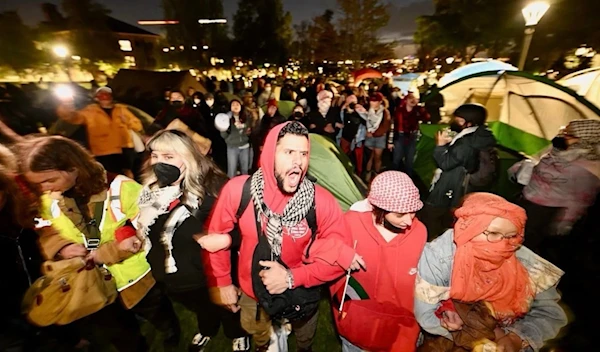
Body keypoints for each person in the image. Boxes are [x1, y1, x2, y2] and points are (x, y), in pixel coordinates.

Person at [200, 122, 365, 352]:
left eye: (304, 154)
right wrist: (223, 282)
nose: (298, 162)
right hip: (252, 286)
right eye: (289, 152)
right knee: (255, 327)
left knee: (305, 333)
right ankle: (263, 344)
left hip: (302, 288)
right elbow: (217, 237)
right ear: (269, 154)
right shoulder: (238, 191)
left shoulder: (321, 202)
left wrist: (291, 277)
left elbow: (341, 259)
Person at [16, 135, 180, 351]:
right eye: (38, 184)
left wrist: (111, 251)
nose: (44, 188)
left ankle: (171, 332)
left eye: (49, 180)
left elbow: (146, 226)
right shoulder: (50, 199)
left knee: (156, 311)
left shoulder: (122, 188)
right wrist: (62, 247)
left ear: (73, 167)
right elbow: (47, 230)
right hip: (91, 283)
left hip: (135, 277)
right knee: (119, 332)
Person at [139, 130, 250, 352]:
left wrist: (225, 239)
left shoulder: (212, 189)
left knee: (228, 307)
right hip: (173, 277)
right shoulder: (150, 192)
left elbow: (244, 228)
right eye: (155, 155)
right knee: (201, 308)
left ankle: (237, 333)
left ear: (187, 156)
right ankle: (208, 328)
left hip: (207, 273)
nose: (159, 163)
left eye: (169, 157)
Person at [414, 193, 568, 352]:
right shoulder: (439, 258)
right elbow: (426, 315)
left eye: (511, 236)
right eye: (493, 234)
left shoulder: (524, 261)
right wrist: (477, 336)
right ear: (468, 228)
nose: (502, 245)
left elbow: (550, 314)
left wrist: (517, 338)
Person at [332, 171, 427, 352]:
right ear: (379, 209)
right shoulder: (350, 223)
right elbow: (318, 250)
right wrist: (338, 252)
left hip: (399, 335)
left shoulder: (420, 232)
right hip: (355, 327)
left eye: (413, 212)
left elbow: (430, 277)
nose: (408, 221)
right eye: (400, 214)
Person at [510, 119, 600, 252]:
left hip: (548, 214)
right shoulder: (558, 151)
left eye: (569, 134)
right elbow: (536, 162)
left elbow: (579, 199)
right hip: (527, 202)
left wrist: (565, 223)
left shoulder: (590, 169)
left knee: (524, 247)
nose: (563, 136)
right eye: (564, 131)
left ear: (585, 140)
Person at [421, 103, 497, 240]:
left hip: (452, 182)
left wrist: (440, 146)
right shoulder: (479, 135)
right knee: (449, 214)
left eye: (459, 119)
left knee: (432, 212)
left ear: (469, 123)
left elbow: (445, 163)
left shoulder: (465, 143)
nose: (455, 121)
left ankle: (428, 240)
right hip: (461, 183)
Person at [56, 86, 143, 176]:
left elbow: (138, 126)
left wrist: (128, 122)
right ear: (97, 98)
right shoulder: (90, 112)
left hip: (125, 147)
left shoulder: (121, 110)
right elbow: (72, 117)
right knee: (110, 175)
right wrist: (66, 104)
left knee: (128, 173)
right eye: (101, 95)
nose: (105, 97)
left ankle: (131, 189)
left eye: (107, 94)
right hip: (103, 150)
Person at [389, 92, 430, 177]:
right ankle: (392, 177)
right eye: (410, 98)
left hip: (412, 137)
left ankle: (408, 179)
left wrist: (422, 109)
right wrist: (390, 141)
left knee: (409, 160)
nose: (412, 100)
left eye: (414, 99)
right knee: (396, 159)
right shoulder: (399, 111)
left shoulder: (418, 111)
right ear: (406, 100)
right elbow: (393, 126)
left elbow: (427, 118)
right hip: (400, 136)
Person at [363, 93, 392, 182]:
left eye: (375, 101)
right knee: (369, 156)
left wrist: (374, 133)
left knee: (377, 157)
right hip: (369, 135)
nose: (372, 103)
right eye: (371, 101)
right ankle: (368, 173)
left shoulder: (385, 112)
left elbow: (386, 126)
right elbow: (363, 120)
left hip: (380, 137)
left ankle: (376, 174)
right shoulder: (368, 110)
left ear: (380, 102)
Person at [222, 99, 253, 178]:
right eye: (233, 105)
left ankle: (244, 187)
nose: (235, 106)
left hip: (244, 146)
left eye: (237, 104)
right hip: (232, 146)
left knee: (245, 170)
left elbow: (249, 127)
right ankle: (230, 188)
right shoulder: (227, 118)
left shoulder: (246, 116)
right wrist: (228, 139)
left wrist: (244, 126)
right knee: (232, 170)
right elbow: (223, 132)